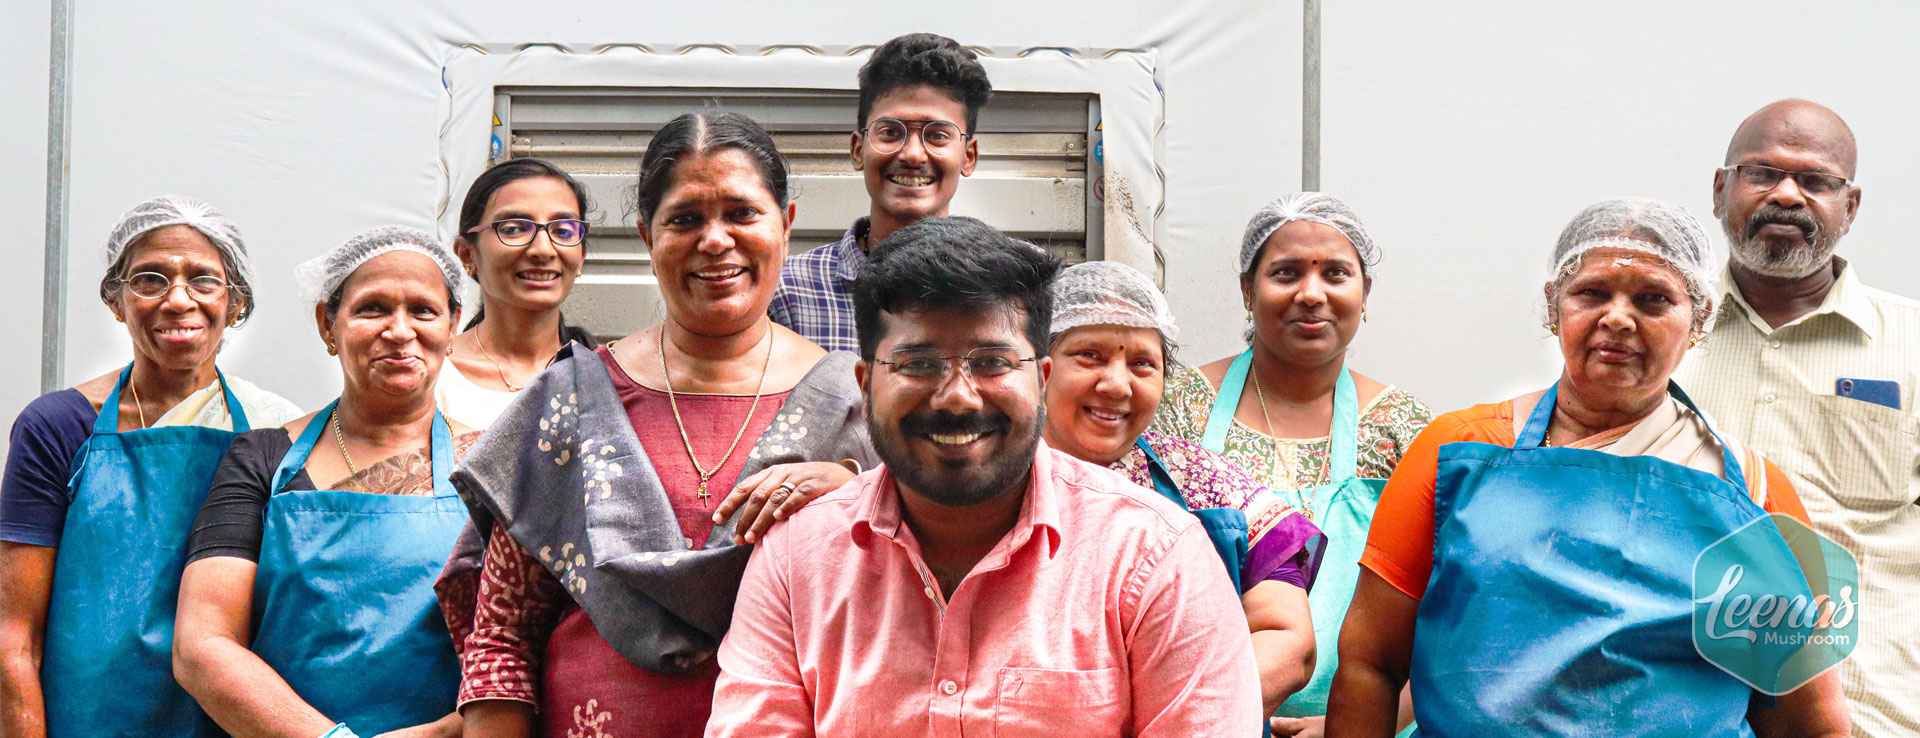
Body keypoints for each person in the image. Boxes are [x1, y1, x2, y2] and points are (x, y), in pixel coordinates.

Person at [707, 216, 1262, 737]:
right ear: (866, 382)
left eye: (992, 362)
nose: (956, 398)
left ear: (1041, 380)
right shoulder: (793, 562)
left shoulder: (1154, 558)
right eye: (918, 363)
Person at [1329, 197, 1850, 737]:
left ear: (1698, 320)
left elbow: (1806, 722)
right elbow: (1370, 663)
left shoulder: (1757, 495)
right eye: (1593, 293)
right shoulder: (1455, 453)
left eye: (1653, 300)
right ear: (1555, 307)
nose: (1618, 318)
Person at [450, 110, 877, 738]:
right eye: (685, 218)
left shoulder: (860, 404)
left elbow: (912, 607)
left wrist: (857, 491)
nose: (714, 240)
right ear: (647, 236)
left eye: (741, 213)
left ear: (785, 225)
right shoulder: (569, 398)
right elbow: (502, 640)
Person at [0, 196, 299, 738]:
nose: (178, 299)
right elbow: (15, 634)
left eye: (203, 280)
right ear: (116, 302)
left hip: (226, 716)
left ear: (236, 304)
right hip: (86, 716)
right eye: (150, 279)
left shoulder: (276, 429)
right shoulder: (60, 425)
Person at [1676, 99, 1920, 738]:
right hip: (1683, 705)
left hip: (1873, 708)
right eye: (1763, 174)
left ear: (1851, 206)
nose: (1787, 194)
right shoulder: (1656, 337)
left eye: (1815, 181)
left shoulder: (1915, 345)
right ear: (1721, 188)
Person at [174, 226, 477, 738]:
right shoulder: (263, 458)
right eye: (372, 308)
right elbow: (202, 645)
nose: (400, 330)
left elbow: (527, 647)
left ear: (453, 327)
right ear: (327, 325)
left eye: (423, 310)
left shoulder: (492, 465)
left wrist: (449, 732)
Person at [1151, 192, 1430, 733]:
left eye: (1335, 274)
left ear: (1365, 293)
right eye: (1286, 273)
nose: (1311, 294)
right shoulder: (1177, 408)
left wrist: (1354, 724)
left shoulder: (1406, 429)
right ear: (1247, 291)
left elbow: (1451, 610)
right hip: (1200, 716)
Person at [1043, 260, 1326, 716]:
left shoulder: (1205, 482)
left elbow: (1288, 642)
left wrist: (1178, 714)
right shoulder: (988, 486)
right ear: (1040, 367)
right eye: (1089, 356)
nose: (1116, 384)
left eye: (1142, 364)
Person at [766, 32, 991, 353]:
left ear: (968, 156)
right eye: (890, 132)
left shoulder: (1011, 286)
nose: (913, 155)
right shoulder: (789, 292)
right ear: (858, 149)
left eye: (938, 135)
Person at [440, 157, 599, 430]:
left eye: (563, 230)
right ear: (467, 254)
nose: (543, 250)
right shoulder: (431, 378)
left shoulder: (606, 379)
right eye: (513, 229)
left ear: (581, 256)